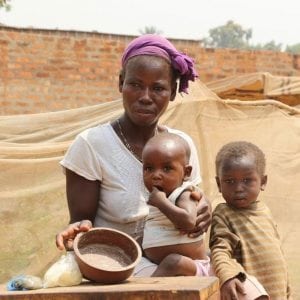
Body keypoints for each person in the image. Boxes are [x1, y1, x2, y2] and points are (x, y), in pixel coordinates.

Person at [55, 34, 212, 276]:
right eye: (135, 85)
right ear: (121, 83)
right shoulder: (92, 145)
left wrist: (202, 209)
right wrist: (78, 229)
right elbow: (81, 222)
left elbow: (191, 199)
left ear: (173, 92)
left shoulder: (181, 145)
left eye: (158, 88)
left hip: (181, 259)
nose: (145, 97)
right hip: (119, 263)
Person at [209, 141, 291, 300]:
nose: (239, 188)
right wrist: (228, 277)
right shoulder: (224, 213)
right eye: (230, 181)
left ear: (263, 181)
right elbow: (219, 250)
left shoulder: (265, 211)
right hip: (250, 294)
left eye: (247, 180)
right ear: (219, 184)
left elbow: (278, 257)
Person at [141, 132, 212, 277]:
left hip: (190, 266)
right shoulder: (162, 197)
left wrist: (161, 203)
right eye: (149, 168)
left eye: (167, 169)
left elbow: (189, 222)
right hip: (158, 265)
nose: (156, 175)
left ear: (186, 173)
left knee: (172, 262)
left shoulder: (183, 193)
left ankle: (147, 294)